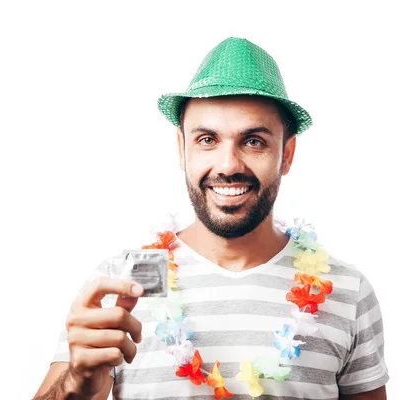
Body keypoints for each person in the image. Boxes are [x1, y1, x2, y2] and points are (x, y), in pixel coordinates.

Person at [34, 37, 389, 400]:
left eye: (253, 141)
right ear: (181, 149)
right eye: (207, 139)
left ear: (287, 153)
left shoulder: (345, 291)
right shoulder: (120, 284)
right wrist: (75, 385)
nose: (228, 165)